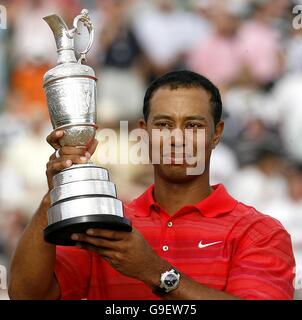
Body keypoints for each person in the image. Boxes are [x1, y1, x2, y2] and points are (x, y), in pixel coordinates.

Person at [8, 70, 295, 300]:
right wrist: (56, 194)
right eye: (164, 125)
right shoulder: (106, 223)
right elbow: (27, 295)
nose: (177, 138)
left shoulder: (259, 232)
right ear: (144, 133)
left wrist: (156, 273)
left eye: (193, 125)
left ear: (216, 134)